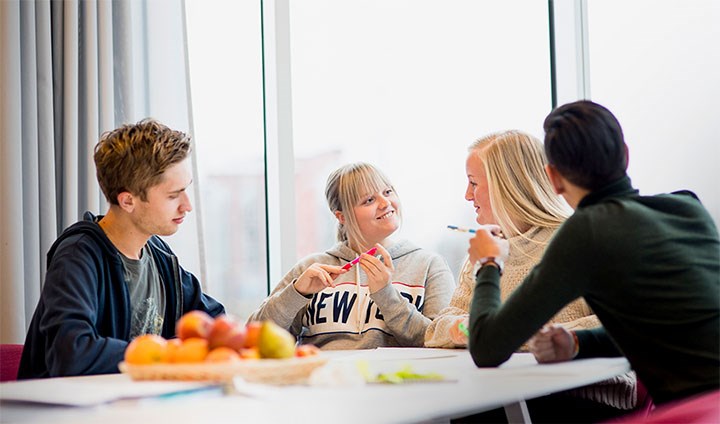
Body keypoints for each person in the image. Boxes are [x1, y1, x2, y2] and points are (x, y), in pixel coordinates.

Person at [466, 101, 719, 411]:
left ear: (554, 178)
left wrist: (488, 263)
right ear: (625, 154)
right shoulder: (687, 207)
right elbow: (670, 330)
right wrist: (578, 343)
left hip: (702, 410)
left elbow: (487, 347)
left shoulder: (585, 230)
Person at [425, 130, 636, 422]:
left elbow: (616, 323)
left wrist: (499, 332)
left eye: (474, 183)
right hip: (501, 395)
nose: (466, 195)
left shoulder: (578, 237)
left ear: (507, 186)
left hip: (579, 398)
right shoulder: (487, 248)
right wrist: (466, 329)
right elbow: (437, 328)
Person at [18, 119, 225, 379]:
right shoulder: (77, 257)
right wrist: (169, 353)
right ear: (128, 201)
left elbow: (216, 322)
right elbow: (72, 353)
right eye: (173, 195)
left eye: (186, 190)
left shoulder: (159, 255)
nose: (187, 205)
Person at [248, 162, 455, 349]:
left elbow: (442, 340)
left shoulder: (429, 266)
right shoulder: (311, 269)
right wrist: (296, 293)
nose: (385, 203)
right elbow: (254, 337)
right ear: (341, 216)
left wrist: (386, 295)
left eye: (388, 191)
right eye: (369, 200)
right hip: (323, 385)